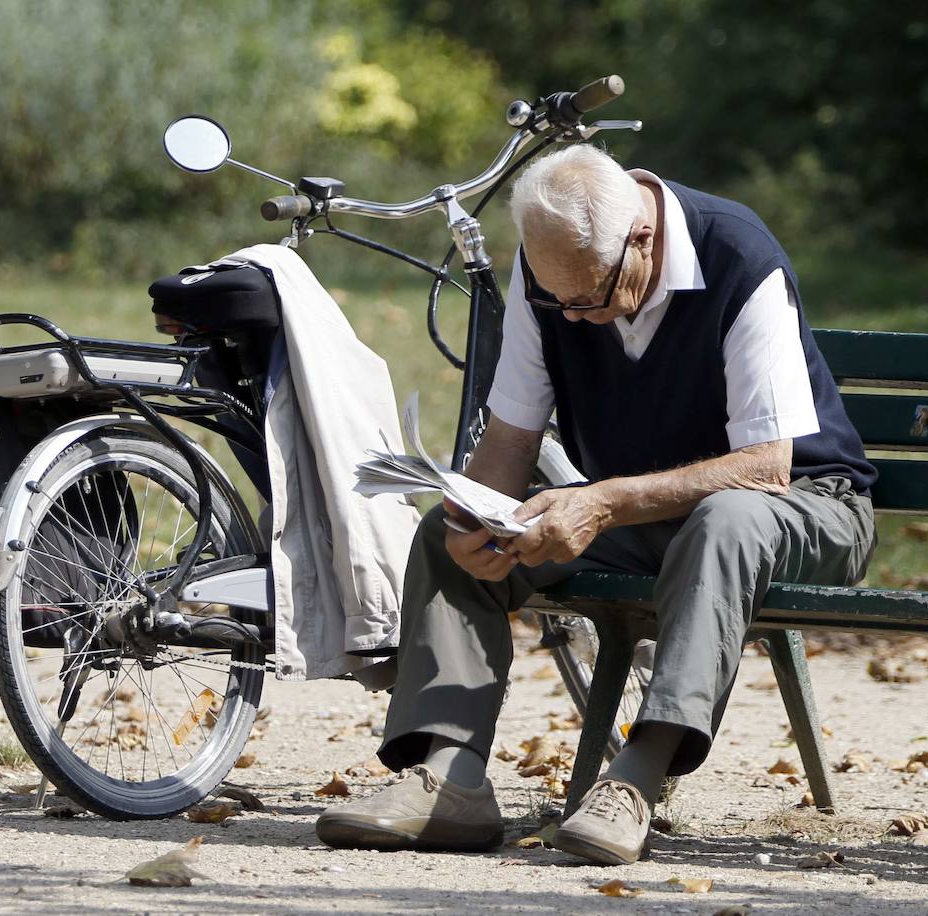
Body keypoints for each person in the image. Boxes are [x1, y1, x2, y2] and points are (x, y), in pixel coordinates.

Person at [315, 144, 878, 865]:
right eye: (560, 302)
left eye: (590, 298)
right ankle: (450, 777)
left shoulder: (738, 255)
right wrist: (472, 517)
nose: (575, 320)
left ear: (640, 238)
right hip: (654, 518)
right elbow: (513, 438)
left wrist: (602, 503)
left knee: (725, 518)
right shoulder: (551, 271)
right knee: (442, 537)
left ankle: (637, 782)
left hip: (807, 508)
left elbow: (767, 470)